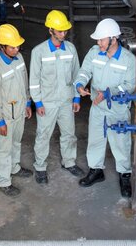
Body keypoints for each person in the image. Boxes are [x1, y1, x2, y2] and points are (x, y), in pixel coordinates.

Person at [74, 18, 136, 198]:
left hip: (118, 109)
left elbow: (129, 85)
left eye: (101, 39)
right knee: (95, 140)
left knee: (121, 143)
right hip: (97, 107)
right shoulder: (94, 53)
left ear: (113, 39)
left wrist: (109, 93)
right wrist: (80, 84)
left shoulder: (128, 59)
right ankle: (96, 170)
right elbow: (85, 71)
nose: (98, 43)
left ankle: (125, 175)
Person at [29, 10, 84, 184]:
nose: (63, 33)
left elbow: (77, 75)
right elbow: (34, 81)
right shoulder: (39, 52)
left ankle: (69, 162)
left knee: (69, 134)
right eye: (60, 31)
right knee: (43, 135)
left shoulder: (71, 49)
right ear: (50, 30)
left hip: (66, 101)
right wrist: (37, 102)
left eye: (65, 30)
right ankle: (40, 167)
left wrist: (76, 98)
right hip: (47, 102)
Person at [0, 24, 33, 196]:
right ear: (2, 47)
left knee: (16, 142)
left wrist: (28, 103)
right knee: (3, 149)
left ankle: (14, 168)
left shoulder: (19, 58)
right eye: (12, 47)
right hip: (5, 117)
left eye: (17, 45)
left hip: (19, 112)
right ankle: (4, 181)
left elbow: (24, 81)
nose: (16, 49)